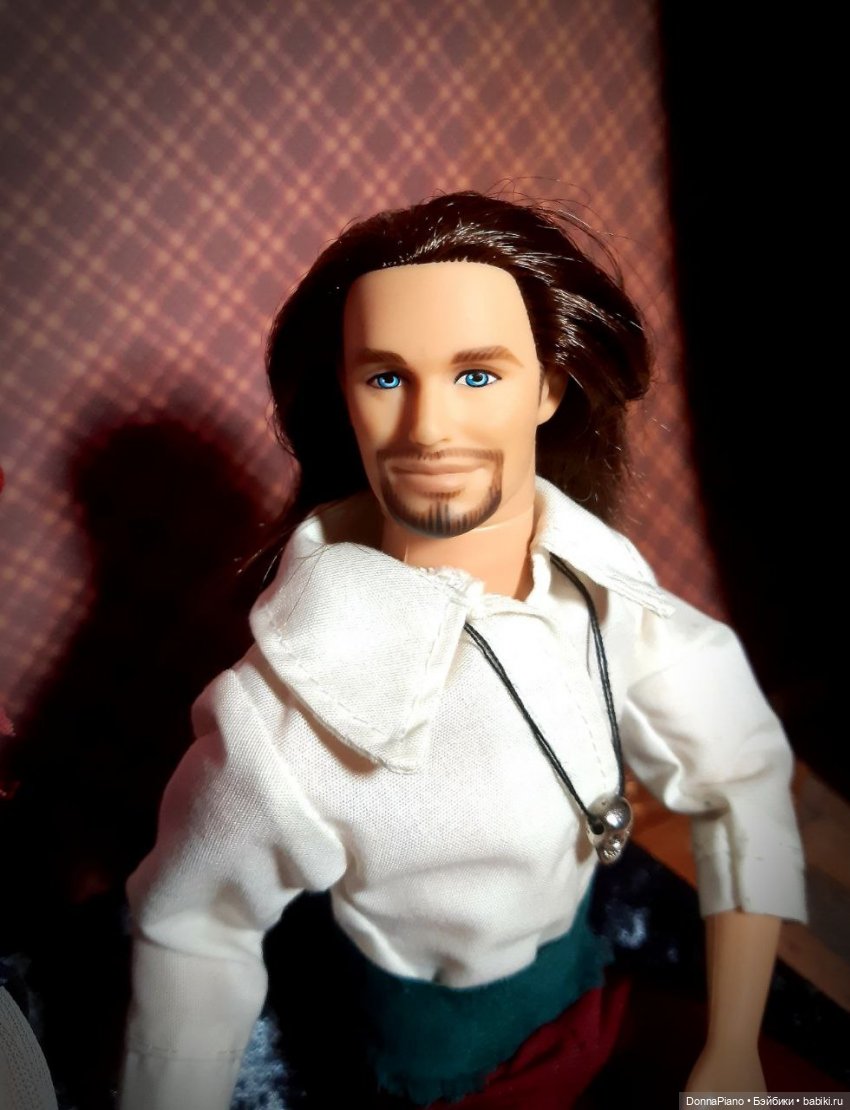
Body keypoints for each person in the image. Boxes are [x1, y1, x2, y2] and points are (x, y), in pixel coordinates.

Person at [118, 192, 806, 1109]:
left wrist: (733, 1044)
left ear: (548, 388)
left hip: (587, 971)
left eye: (477, 375)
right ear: (345, 398)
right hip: (441, 1061)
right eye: (386, 379)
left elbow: (741, 776)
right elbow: (193, 931)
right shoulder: (286, 719)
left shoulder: (605, 594)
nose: (430, 429)